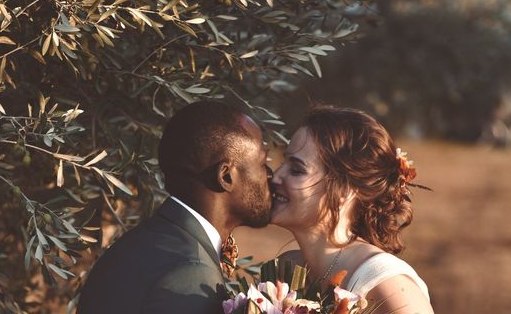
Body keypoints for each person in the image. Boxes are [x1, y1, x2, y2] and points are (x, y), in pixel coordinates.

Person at [77, 101, 273, 314]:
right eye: (263, 164)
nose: (271, 174)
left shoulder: (134, 244)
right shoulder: (191, 272)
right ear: (226, 176)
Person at [271, 105, 433, 314]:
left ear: (344, 191)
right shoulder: (286, 269)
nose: (275, 177)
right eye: (282, 163)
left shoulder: (386, 285)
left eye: (296, 170)